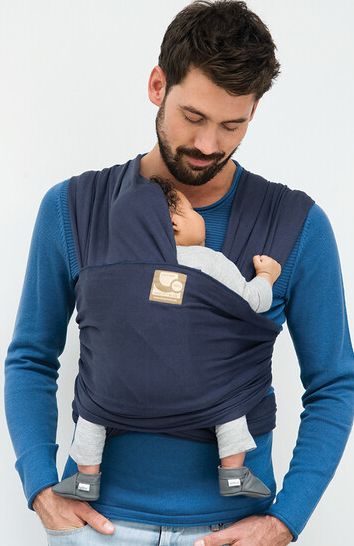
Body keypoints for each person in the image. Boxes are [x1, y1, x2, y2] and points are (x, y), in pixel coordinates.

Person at [5, 0, 354, 546]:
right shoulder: (73, 208)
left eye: (232, 125)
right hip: (94, 543)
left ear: (254, 111)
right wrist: (41, 487)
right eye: (193, 117)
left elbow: (333, 383)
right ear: (157, 85)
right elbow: (31, 357)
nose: (209, 144)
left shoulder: (295, 225)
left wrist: (284, 522)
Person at [52, 177, 282, 503]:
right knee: (229, 400)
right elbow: (253, 301)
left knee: (93, 406)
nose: (201, 216)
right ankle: (233, 473)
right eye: (193, 210)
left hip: (118, 386)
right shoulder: (207, 260)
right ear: (174, 224)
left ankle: (86, 479)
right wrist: (267, 275)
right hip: (197, 383)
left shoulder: (111, 267)